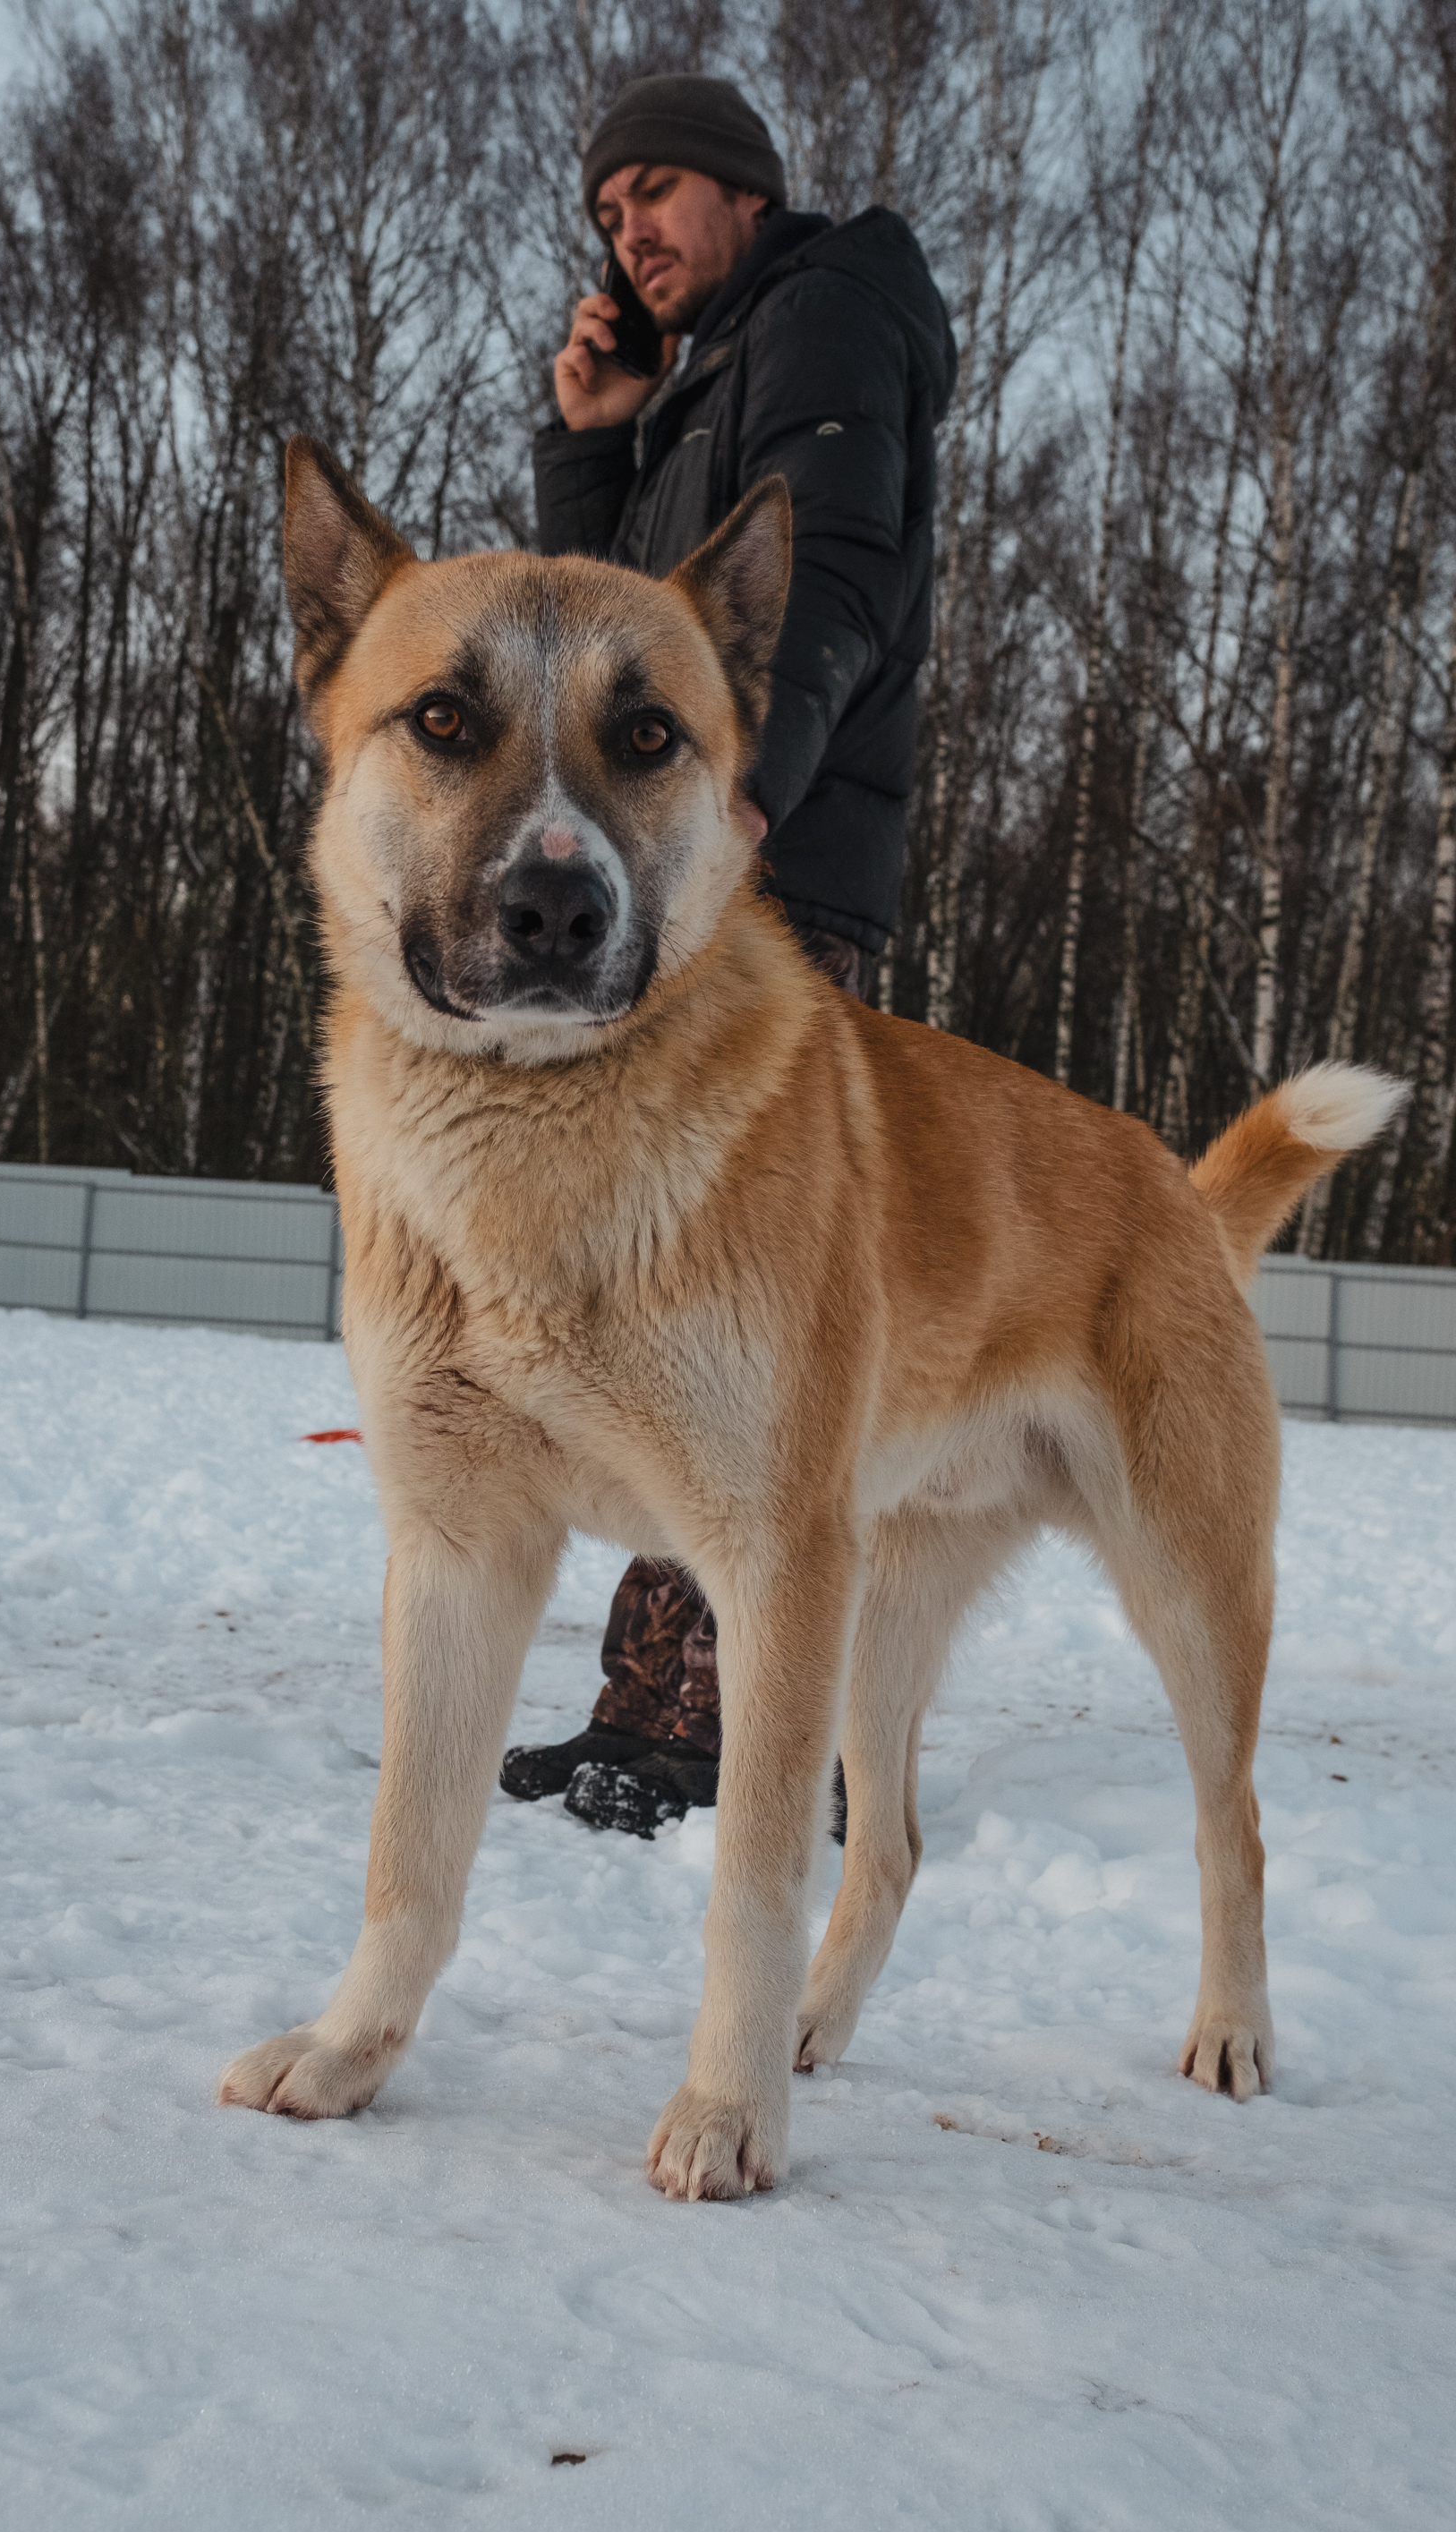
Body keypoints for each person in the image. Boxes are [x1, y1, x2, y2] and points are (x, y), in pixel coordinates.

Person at [499, 73, 957, 1839]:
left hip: (763, 876)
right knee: (659, 1285)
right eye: (612, 217)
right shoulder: (703, 376)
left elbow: (832, 576)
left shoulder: (830, 313)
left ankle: (721, 1719)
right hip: (681, 879)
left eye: (661, 195)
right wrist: (600, 439)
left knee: (728, 1304)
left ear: (748, 193)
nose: (634, 234)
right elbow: (607, 630)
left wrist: (743, 790)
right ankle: (657, 1696)